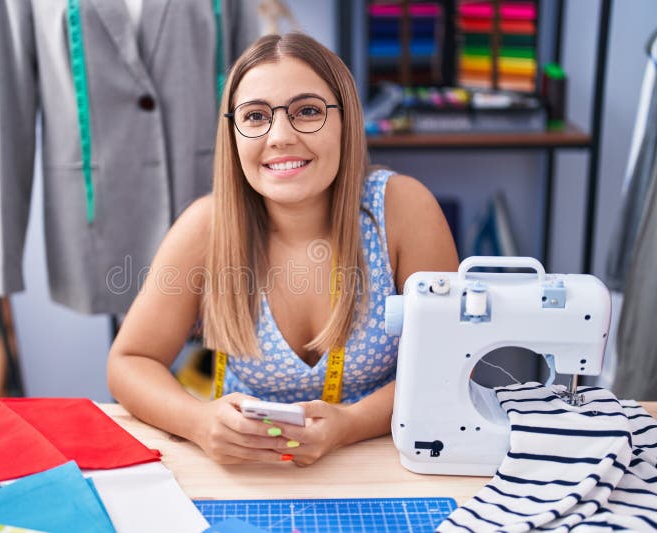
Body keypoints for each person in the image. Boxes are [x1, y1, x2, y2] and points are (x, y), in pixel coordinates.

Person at [107, 32, 458, 466]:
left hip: (388, 458)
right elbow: (130, 360)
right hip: (251, 470)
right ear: (233, 133)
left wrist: (351, 424)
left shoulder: (402, 211)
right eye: (255, 116)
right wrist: (198, 421)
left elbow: (451, 362)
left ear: (346, 120)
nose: (280, 136)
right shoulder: (208, 228)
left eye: (307, 111)